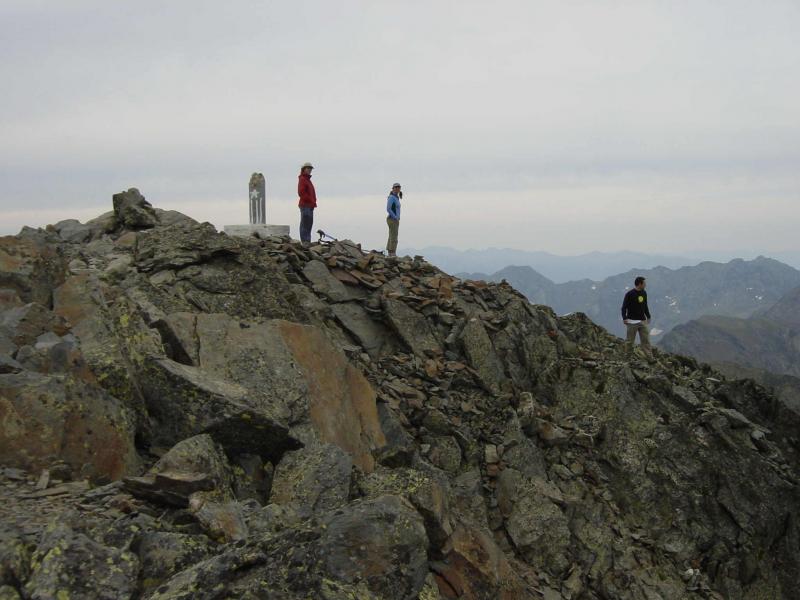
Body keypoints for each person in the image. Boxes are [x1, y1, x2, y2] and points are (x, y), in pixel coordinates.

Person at [621, 276, 652, 358]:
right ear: (639, 284)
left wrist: (648, 316)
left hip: (642, 321)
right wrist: (624, 318)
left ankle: (649, 357)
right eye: (644, 283)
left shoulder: (644, 293)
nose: (645, 285)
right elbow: (624, 307)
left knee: (646, 340)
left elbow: (645, 305)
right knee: (630, 341)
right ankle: (627, 357)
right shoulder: (629, 294)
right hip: (631, 322)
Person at [297, 162, 316, 244]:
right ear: (304, 169)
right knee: (305, 223)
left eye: (310, 168)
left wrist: (313, 201)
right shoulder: (303, 179)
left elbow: (311, 193)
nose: (309, 170)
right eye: (308, 168)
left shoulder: (307, 180)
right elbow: (301, 192)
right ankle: (305, 241)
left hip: (310, 205)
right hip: (305, 205)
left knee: (309, 224)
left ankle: (307, 241)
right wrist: (310, 200)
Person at [386, 183, 402, 257]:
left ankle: (390, 252)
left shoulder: (396, 197)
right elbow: (388, 208)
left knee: (391, 235)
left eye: (398, 187)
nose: (397, 189)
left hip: (394, 219)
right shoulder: (392, 197)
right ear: (393, 188)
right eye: (396, 187)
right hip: (392, 219)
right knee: (394, 236)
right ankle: (392, 253)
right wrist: (395, 217)